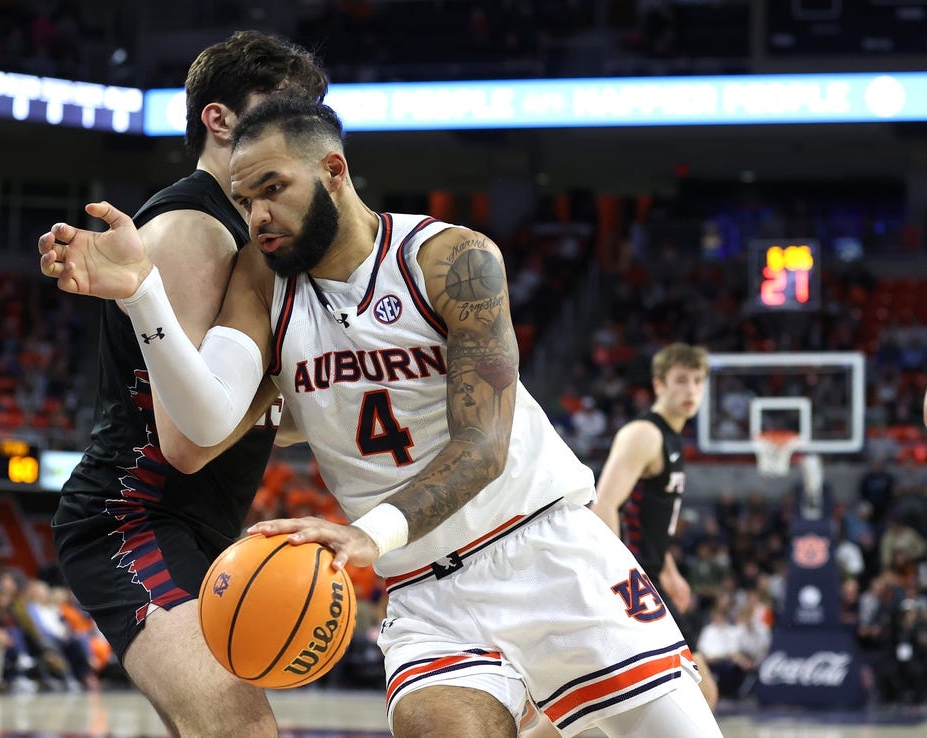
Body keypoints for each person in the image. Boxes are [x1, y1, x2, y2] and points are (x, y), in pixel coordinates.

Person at [39, 97, 722, 738]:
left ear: (333, 170)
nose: (258, 218)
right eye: (245, 201)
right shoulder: (261, 278)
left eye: (273, 188)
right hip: (427, 595)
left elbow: (483, 445)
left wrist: (367, 536)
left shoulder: (451, 257)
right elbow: (208, 423)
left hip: (545, 551)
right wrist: (143, 296)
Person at [47, 32, 327, 737]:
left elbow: (244, 412)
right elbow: (187, 440)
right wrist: (277, 393)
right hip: (131, 516)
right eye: (279, 112)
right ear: (219, 119)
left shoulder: (250, 230)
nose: (296, 133)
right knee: (243, 729)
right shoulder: (195, 228)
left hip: (199, 526)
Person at [590, 342, 719, 709]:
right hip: (631, 584)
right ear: (659, 384)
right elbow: (605, 505)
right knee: (700, 692)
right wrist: (621, 582)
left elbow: (648, 520)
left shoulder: (672, 438)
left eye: (698, 380)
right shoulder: (645, 434)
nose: (691, 390)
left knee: (594, 708)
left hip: (649, 576)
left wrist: (669, 570)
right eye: (681, 380)